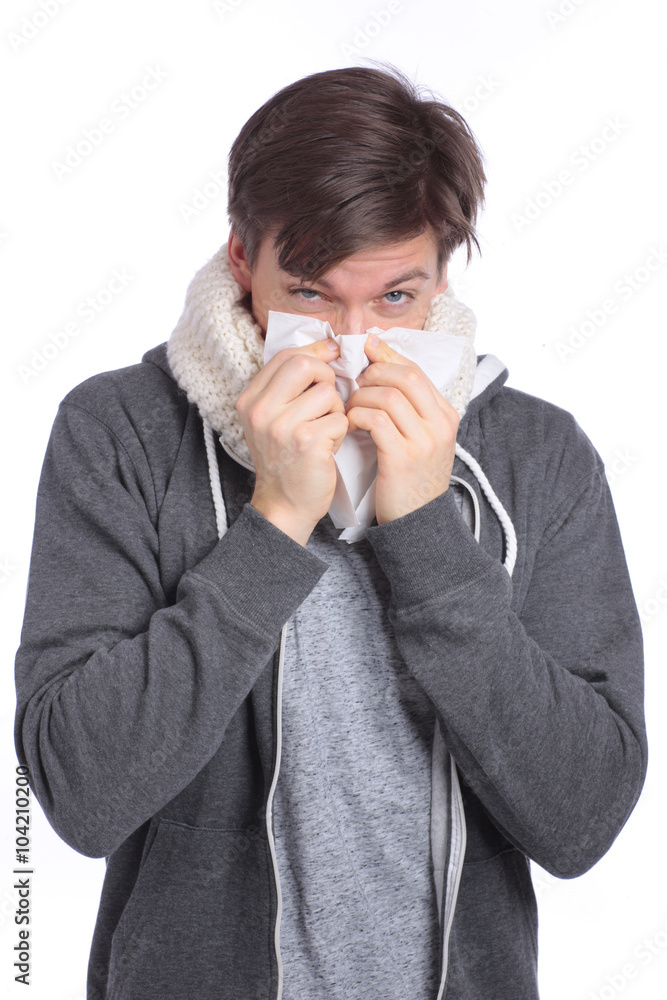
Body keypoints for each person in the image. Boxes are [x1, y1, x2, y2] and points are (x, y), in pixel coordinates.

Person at [14, 65, 647, 1000]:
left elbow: (582, 820)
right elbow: (81, 793)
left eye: (395, 299)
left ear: (441, 278)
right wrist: (273, 522)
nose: (352, 347)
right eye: (310, 296)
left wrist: (425, 531)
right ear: (242, 261)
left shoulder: (536, 455)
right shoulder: (119, 433)